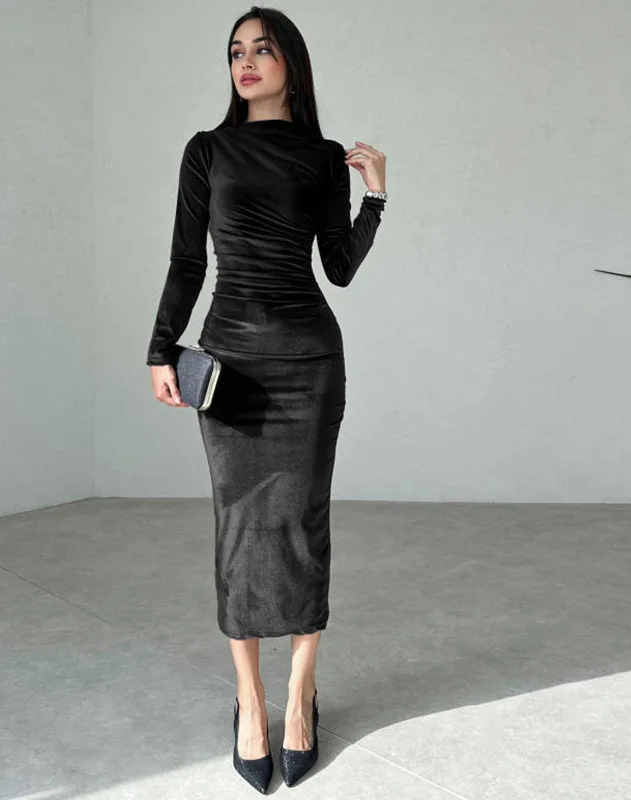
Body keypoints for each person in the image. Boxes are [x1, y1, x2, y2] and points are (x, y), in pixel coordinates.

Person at [145, 7, 387, 791]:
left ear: (291, 63)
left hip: (309, 363)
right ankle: (250, 701)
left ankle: (300, 693)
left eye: (262, 49)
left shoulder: (320, 157)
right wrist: (159, 349)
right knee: (240, 528)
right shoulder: (207, 150)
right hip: (232, 368)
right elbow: (187, 261)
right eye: (235, 51)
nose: (245, 62)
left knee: (302, 526)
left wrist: (375, 199)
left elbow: (337, 267)